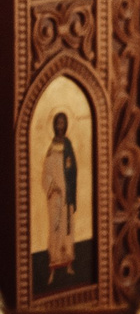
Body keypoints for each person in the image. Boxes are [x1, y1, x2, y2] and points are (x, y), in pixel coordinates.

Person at [41, 110, 78, 285]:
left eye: (63, 123)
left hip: (67, 195)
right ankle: (53, 266)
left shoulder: (68, 145)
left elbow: (74, 169)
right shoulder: (51, 148)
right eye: (58, 123)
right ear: (54, 125)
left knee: (67, 228)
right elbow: (46, 173)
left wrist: (70, 182)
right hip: (55, 196)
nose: (60, 126)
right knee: (55, 228)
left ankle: (68, 264)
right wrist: (53, 187)